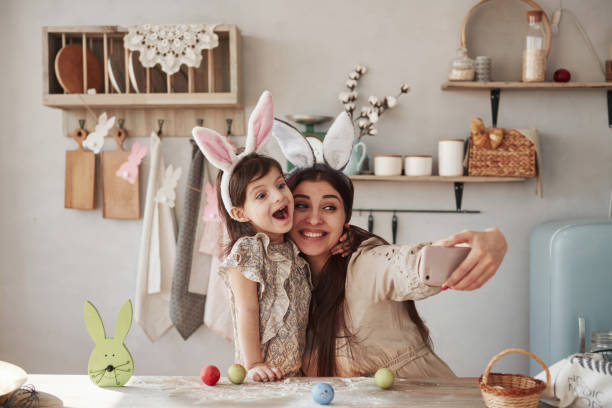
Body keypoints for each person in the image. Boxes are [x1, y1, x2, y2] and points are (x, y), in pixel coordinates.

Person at [285, 163, 508, 377]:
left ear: (346, 219)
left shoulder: (367, 264)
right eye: (302, 205)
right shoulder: (281, 276)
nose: (314, 219)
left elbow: (410, 265)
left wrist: (491, 240)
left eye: (329, 207)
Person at [193, 91, 311, 382]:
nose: (279, 196)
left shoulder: (293, 248)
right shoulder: (248, 252)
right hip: (262, 375)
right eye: (261, 194)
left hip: (298, 374)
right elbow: (247, 309)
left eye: (281, 185)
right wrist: (255, 363)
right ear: (240, 213)